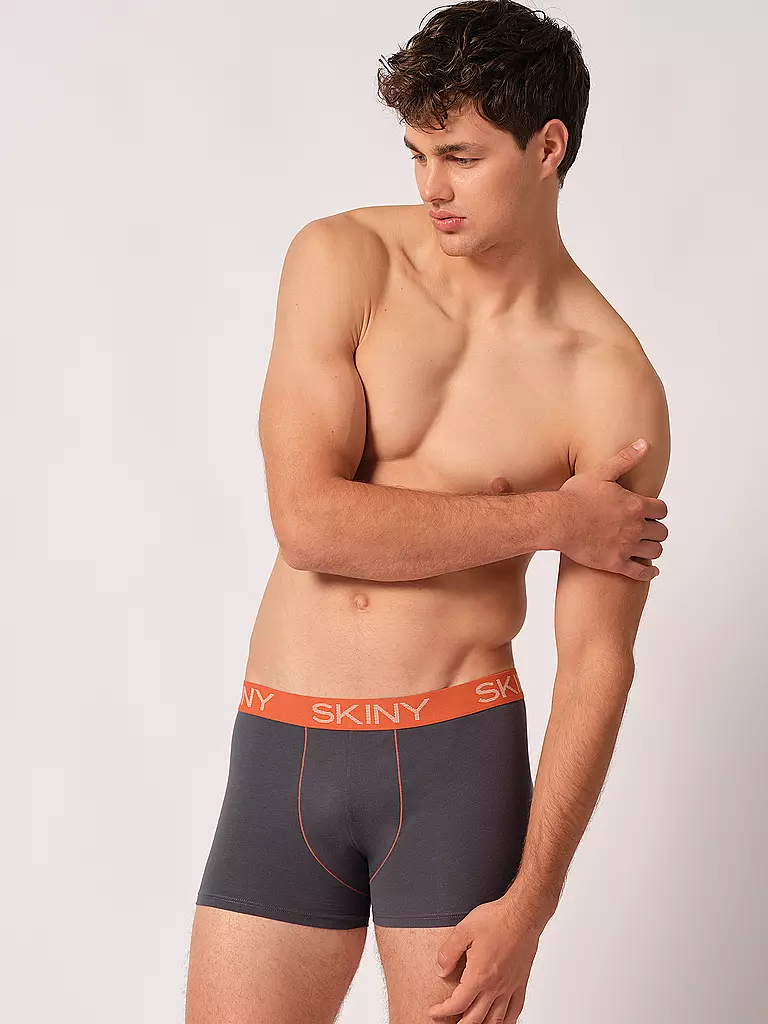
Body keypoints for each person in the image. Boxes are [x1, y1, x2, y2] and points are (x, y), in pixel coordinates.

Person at [184, 2, 670, 1022]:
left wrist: (532, 905)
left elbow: (597, 662)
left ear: (548, 147)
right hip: (282, 750)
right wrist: (554, 518)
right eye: (415, 153)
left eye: (460, 156)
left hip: (456, 767)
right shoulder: (343, 258)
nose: (430, 186)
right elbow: (308, 522)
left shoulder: (608, 382)